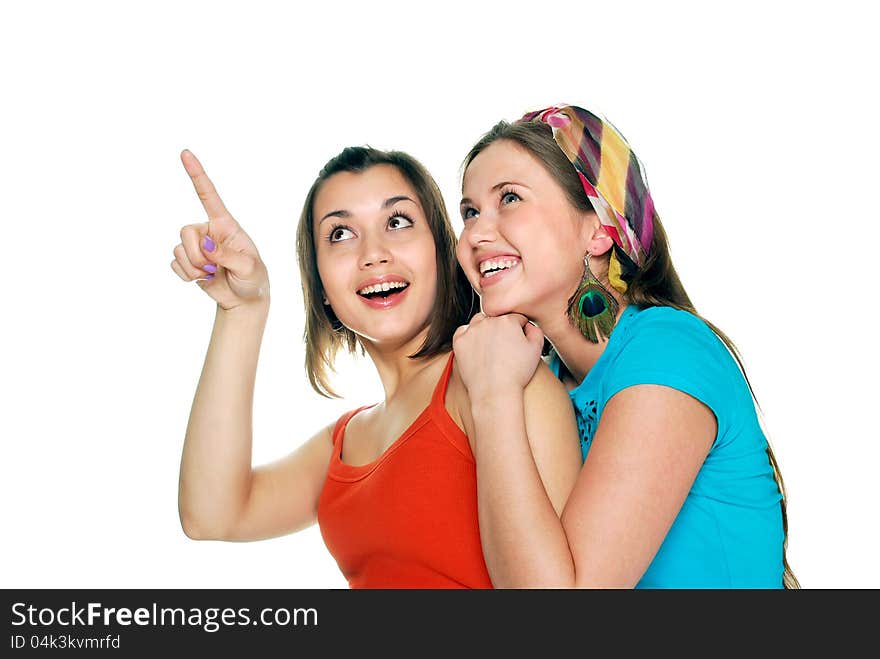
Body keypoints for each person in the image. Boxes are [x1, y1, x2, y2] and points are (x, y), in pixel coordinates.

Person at [171, 145, 581, 588]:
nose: (374, 254)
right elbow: (210, 515)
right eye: (341, 234)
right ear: (321, 284)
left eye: (397, 222)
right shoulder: (346, 441)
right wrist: (242, 309)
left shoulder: (502, 380)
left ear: (443, 252)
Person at [452, 104, 799, 588]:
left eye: (509, 198)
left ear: (599, 229)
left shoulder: (667, 348)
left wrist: (490, 396)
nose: (475, 234)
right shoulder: (537, 381)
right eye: (469, 211)